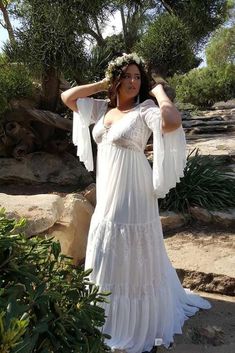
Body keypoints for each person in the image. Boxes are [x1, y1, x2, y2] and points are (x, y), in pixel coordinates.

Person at [61, 53, 211, 353]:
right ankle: (104, 311)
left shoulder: (146, 109)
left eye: (137, 77)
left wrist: (158, 92)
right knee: (106, 238)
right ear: (116, 79)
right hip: (108, 187)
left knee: (128, 241)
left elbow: (172, 121)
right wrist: (104, 82)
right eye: (126, 76)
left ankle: (135, 321)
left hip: (133, 189)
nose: (132, 82)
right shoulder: (103, 108)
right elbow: (68, 97)